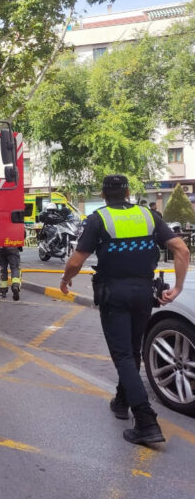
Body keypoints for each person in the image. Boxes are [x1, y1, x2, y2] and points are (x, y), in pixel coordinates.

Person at [60, 174, 190, 445]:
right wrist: (177, 288)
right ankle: (122, 401)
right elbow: (181, 249)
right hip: (144, 293)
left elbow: (76, 260)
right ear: (129, 192)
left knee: (122, 355)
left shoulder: (99, 219)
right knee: (132, 350)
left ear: (103, 194)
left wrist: (65, 278)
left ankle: (145, 420)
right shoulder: (148, 215)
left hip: (114, 294)